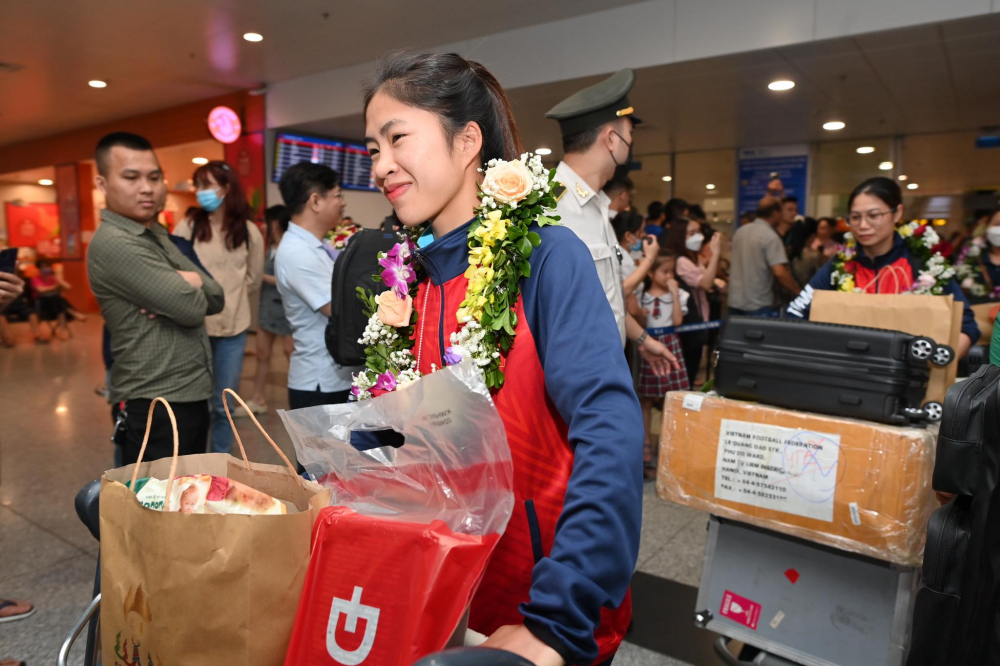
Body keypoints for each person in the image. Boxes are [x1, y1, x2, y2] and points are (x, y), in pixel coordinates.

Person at [364, 50, 641, 666]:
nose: (381, 166)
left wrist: (557, 623)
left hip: (539, 602)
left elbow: (609, 432)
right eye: (372, 149)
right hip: (441, 592)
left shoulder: (547, 256)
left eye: (396, 138)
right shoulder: (411, 286)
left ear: (467, 141)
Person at [87, 132, 224, 465]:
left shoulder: (154, 232)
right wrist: (189, 285)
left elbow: (216, 296)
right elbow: (192, 309)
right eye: (131, 177)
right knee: (158, 508)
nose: (147, 188)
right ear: (102, 184)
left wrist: (186, 281)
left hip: (188, 392)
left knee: (188, 500)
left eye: (153, 177)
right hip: (154, 400)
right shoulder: (115, 242)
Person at [546, 68, 680, 375]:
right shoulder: (551, 207)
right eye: (629, 136)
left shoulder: (598, 206)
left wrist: (642, 339)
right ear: (611, 139)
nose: (630, 145)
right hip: (574, 380)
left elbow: (604, 298)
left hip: (606, 367)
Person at [788, 177, 980, 357]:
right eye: (855, 217)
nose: (863, 225)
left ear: (897, 213)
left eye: (874, 215)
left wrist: (938, 363)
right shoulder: (839, 266)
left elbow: (967, 326)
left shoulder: (925, 264)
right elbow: (795, 314)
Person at [174, 160, 264, 454]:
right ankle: (192, 463)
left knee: (224, 405)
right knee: (193, 404)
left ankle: (219, 463)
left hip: (233, 330)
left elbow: (253, 278)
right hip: (193, 330)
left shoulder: (249, 231)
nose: (201, 192)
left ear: (226, 188)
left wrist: (229, 297)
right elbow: (173, 271)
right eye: (198, 186)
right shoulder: (188, 226)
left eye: (207, 185)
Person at [275, 162, 359, 410]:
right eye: (337, 195)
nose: (342, 203)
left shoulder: (314, 246)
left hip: (333, 377)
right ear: (315, 201)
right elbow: (340, 309)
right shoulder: (298, 253)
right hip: (320, 383)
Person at [638, 253, 689, 474]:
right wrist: (641, 314)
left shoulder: (681, 295)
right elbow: (638, 322)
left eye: (672, 272)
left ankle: (672, 447)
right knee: (646, 400)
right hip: (648, 345)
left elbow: (677, 321)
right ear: (651, 273)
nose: (669, 276)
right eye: (664, 271)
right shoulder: (641, 295)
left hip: (670, 343)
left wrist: (675, 294)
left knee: (673, 398)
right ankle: (646, 446)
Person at [246, 205, 295, 413]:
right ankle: (257, 398)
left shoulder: (291, 247)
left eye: (266, 222)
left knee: (291, 354)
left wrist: (258, 276)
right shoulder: (268, 249)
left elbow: (289, 281)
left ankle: (297, 400)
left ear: (275, 223)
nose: (263, 227)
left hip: (288, 309)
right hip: (267, 308)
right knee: (261, 354)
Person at [664, 218, 724, 383]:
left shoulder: (694, 258)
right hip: (688, 323)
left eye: (698, 232)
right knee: (687, 373)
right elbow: (705, 282)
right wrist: (716, 253)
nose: (697, 237)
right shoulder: (681, 261)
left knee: (693, 368)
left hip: (699, 319)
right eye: (691, 233)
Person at [728, 195, 800, 317]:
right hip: (758, 304)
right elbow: (779, 272)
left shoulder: (740, 231)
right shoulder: (770, 236)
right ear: (775, 213)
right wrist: (798, 291)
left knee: (735, 336)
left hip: (734, 301)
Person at [612, 209, 659, 324]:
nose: (644, 236)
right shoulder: (621, 260)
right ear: (628, 236)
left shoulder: (618, 251)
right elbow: (630, 304)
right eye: (641, 231)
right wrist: (650, 258)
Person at [30, 259, 71, 339]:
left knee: (57, 303)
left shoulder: (53, 278)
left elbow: (68, 287)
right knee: (57, 301)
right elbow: (40, 290)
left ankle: (63, 331)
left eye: (47, 266)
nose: (46, 268)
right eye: (43, 267)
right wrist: (55, 287)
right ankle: (72, 312)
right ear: (39, 269)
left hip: (54, 304)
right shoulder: (35, 279)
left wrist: (58, 278)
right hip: (41, 304)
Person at [792, 217, 838, 285]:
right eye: (820, 228)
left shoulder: (789, 250)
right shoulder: (813, 255)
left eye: (825, 228)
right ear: (812, 235)